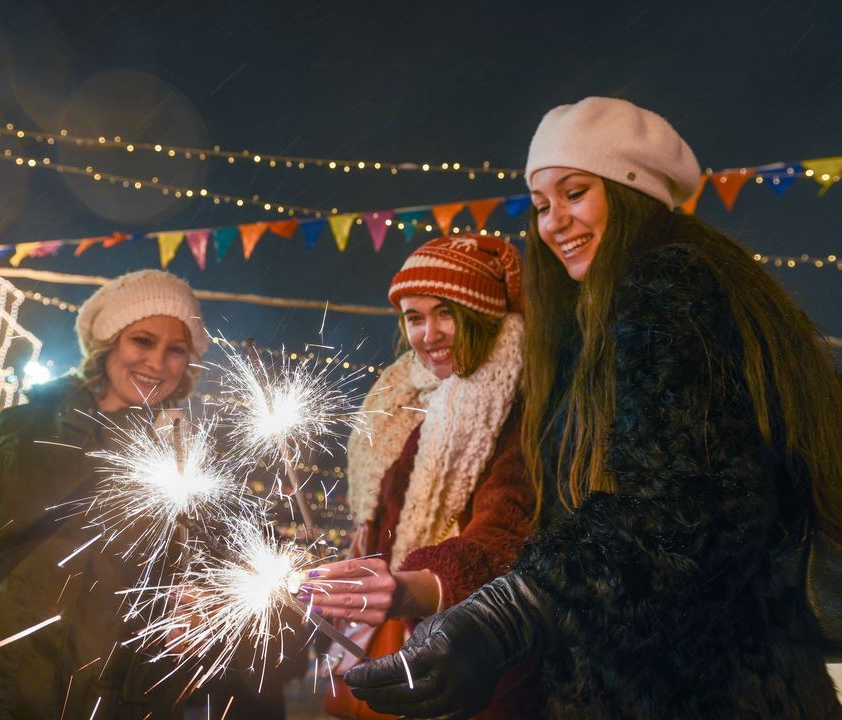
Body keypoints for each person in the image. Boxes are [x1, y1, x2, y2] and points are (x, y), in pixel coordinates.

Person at [345, 97, 842, 719]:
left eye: (576, 192)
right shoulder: (605, 318)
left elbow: (678, 505)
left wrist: (506, 616)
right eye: (542, 204)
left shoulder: (668, 287)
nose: (555, 222)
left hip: (693, 688)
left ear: (630, 191)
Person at [0, 269, 210, 719]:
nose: (157, 363)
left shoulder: (182, 469)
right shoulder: (17, 431)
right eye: (142, 340)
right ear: (109, 343)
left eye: (176, 350)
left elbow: (167, 609)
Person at [304, 235, 539, 718]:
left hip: (473, 647)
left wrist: (413, 586)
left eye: (446, 312)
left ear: (483, 313)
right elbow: (376, 513)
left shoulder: (522, 404)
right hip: (388, 622)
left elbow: (505, 536)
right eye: (414, 317)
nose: (428, 334)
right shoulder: (399, 395)